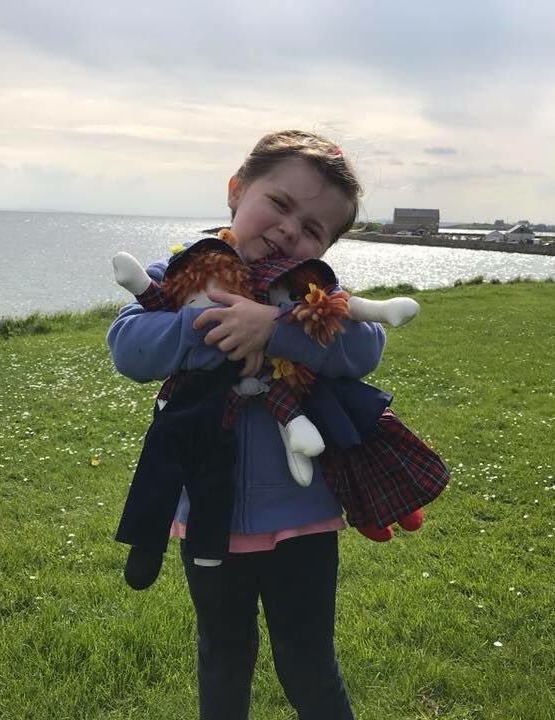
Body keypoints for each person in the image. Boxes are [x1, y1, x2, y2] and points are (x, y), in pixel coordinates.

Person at [107, 130, 382, 719]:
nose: (289, 230)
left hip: (304, 517)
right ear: (236, 191)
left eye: (312, 228)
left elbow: (365, 346)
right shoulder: (183, 271)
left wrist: (276, 329)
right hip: (209, 518)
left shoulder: (312, 291)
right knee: (223, 655)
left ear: (326, 247)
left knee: (308, 659)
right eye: (280, 204)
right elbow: (129, 347)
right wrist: (212, 325)